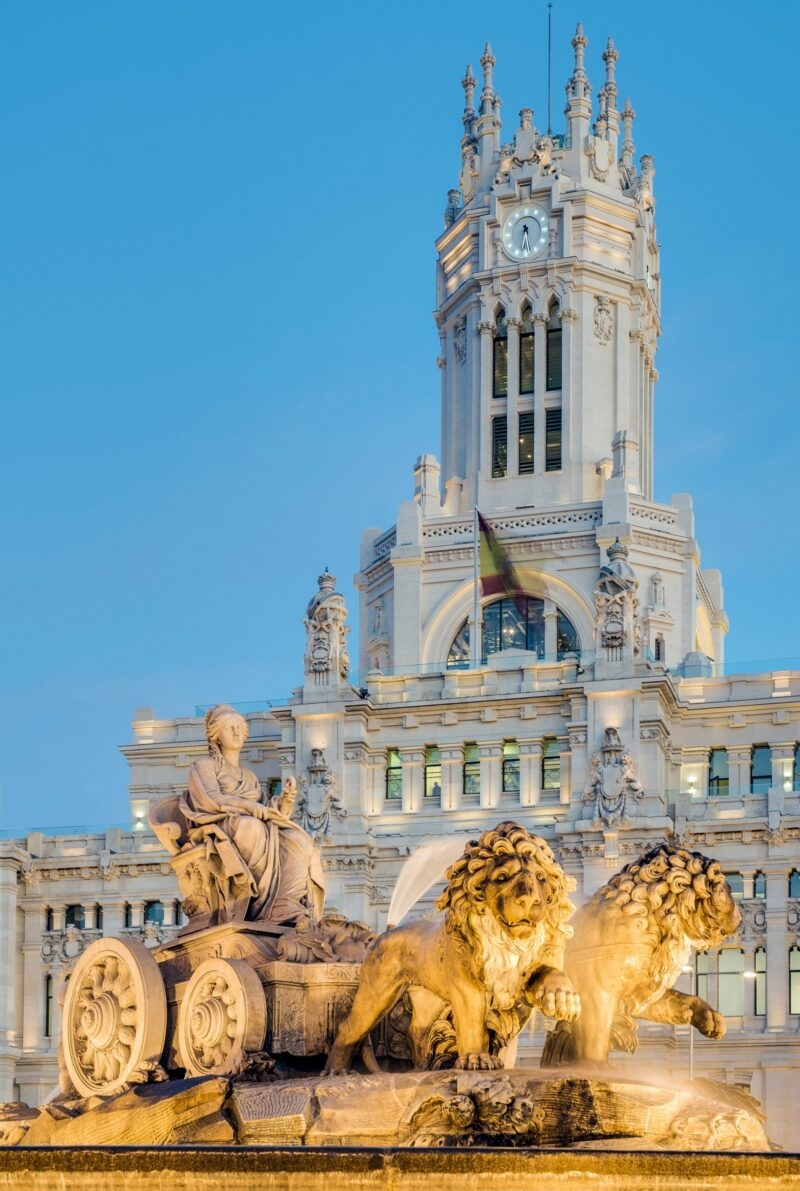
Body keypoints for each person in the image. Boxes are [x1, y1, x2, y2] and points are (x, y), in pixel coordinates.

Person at [180, 704, 325, 925]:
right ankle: (259, 907)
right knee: (252, 827)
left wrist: (285, 799)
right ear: (216, 735)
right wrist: (249, 808)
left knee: (299, 840)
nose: (237, 732)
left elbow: (266, 806)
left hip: (255, 826)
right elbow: (212, 800)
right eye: (230, 728)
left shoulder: (249, 775)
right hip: (220, 826)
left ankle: (285, 904)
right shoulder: (203, 766)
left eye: (240, 727)